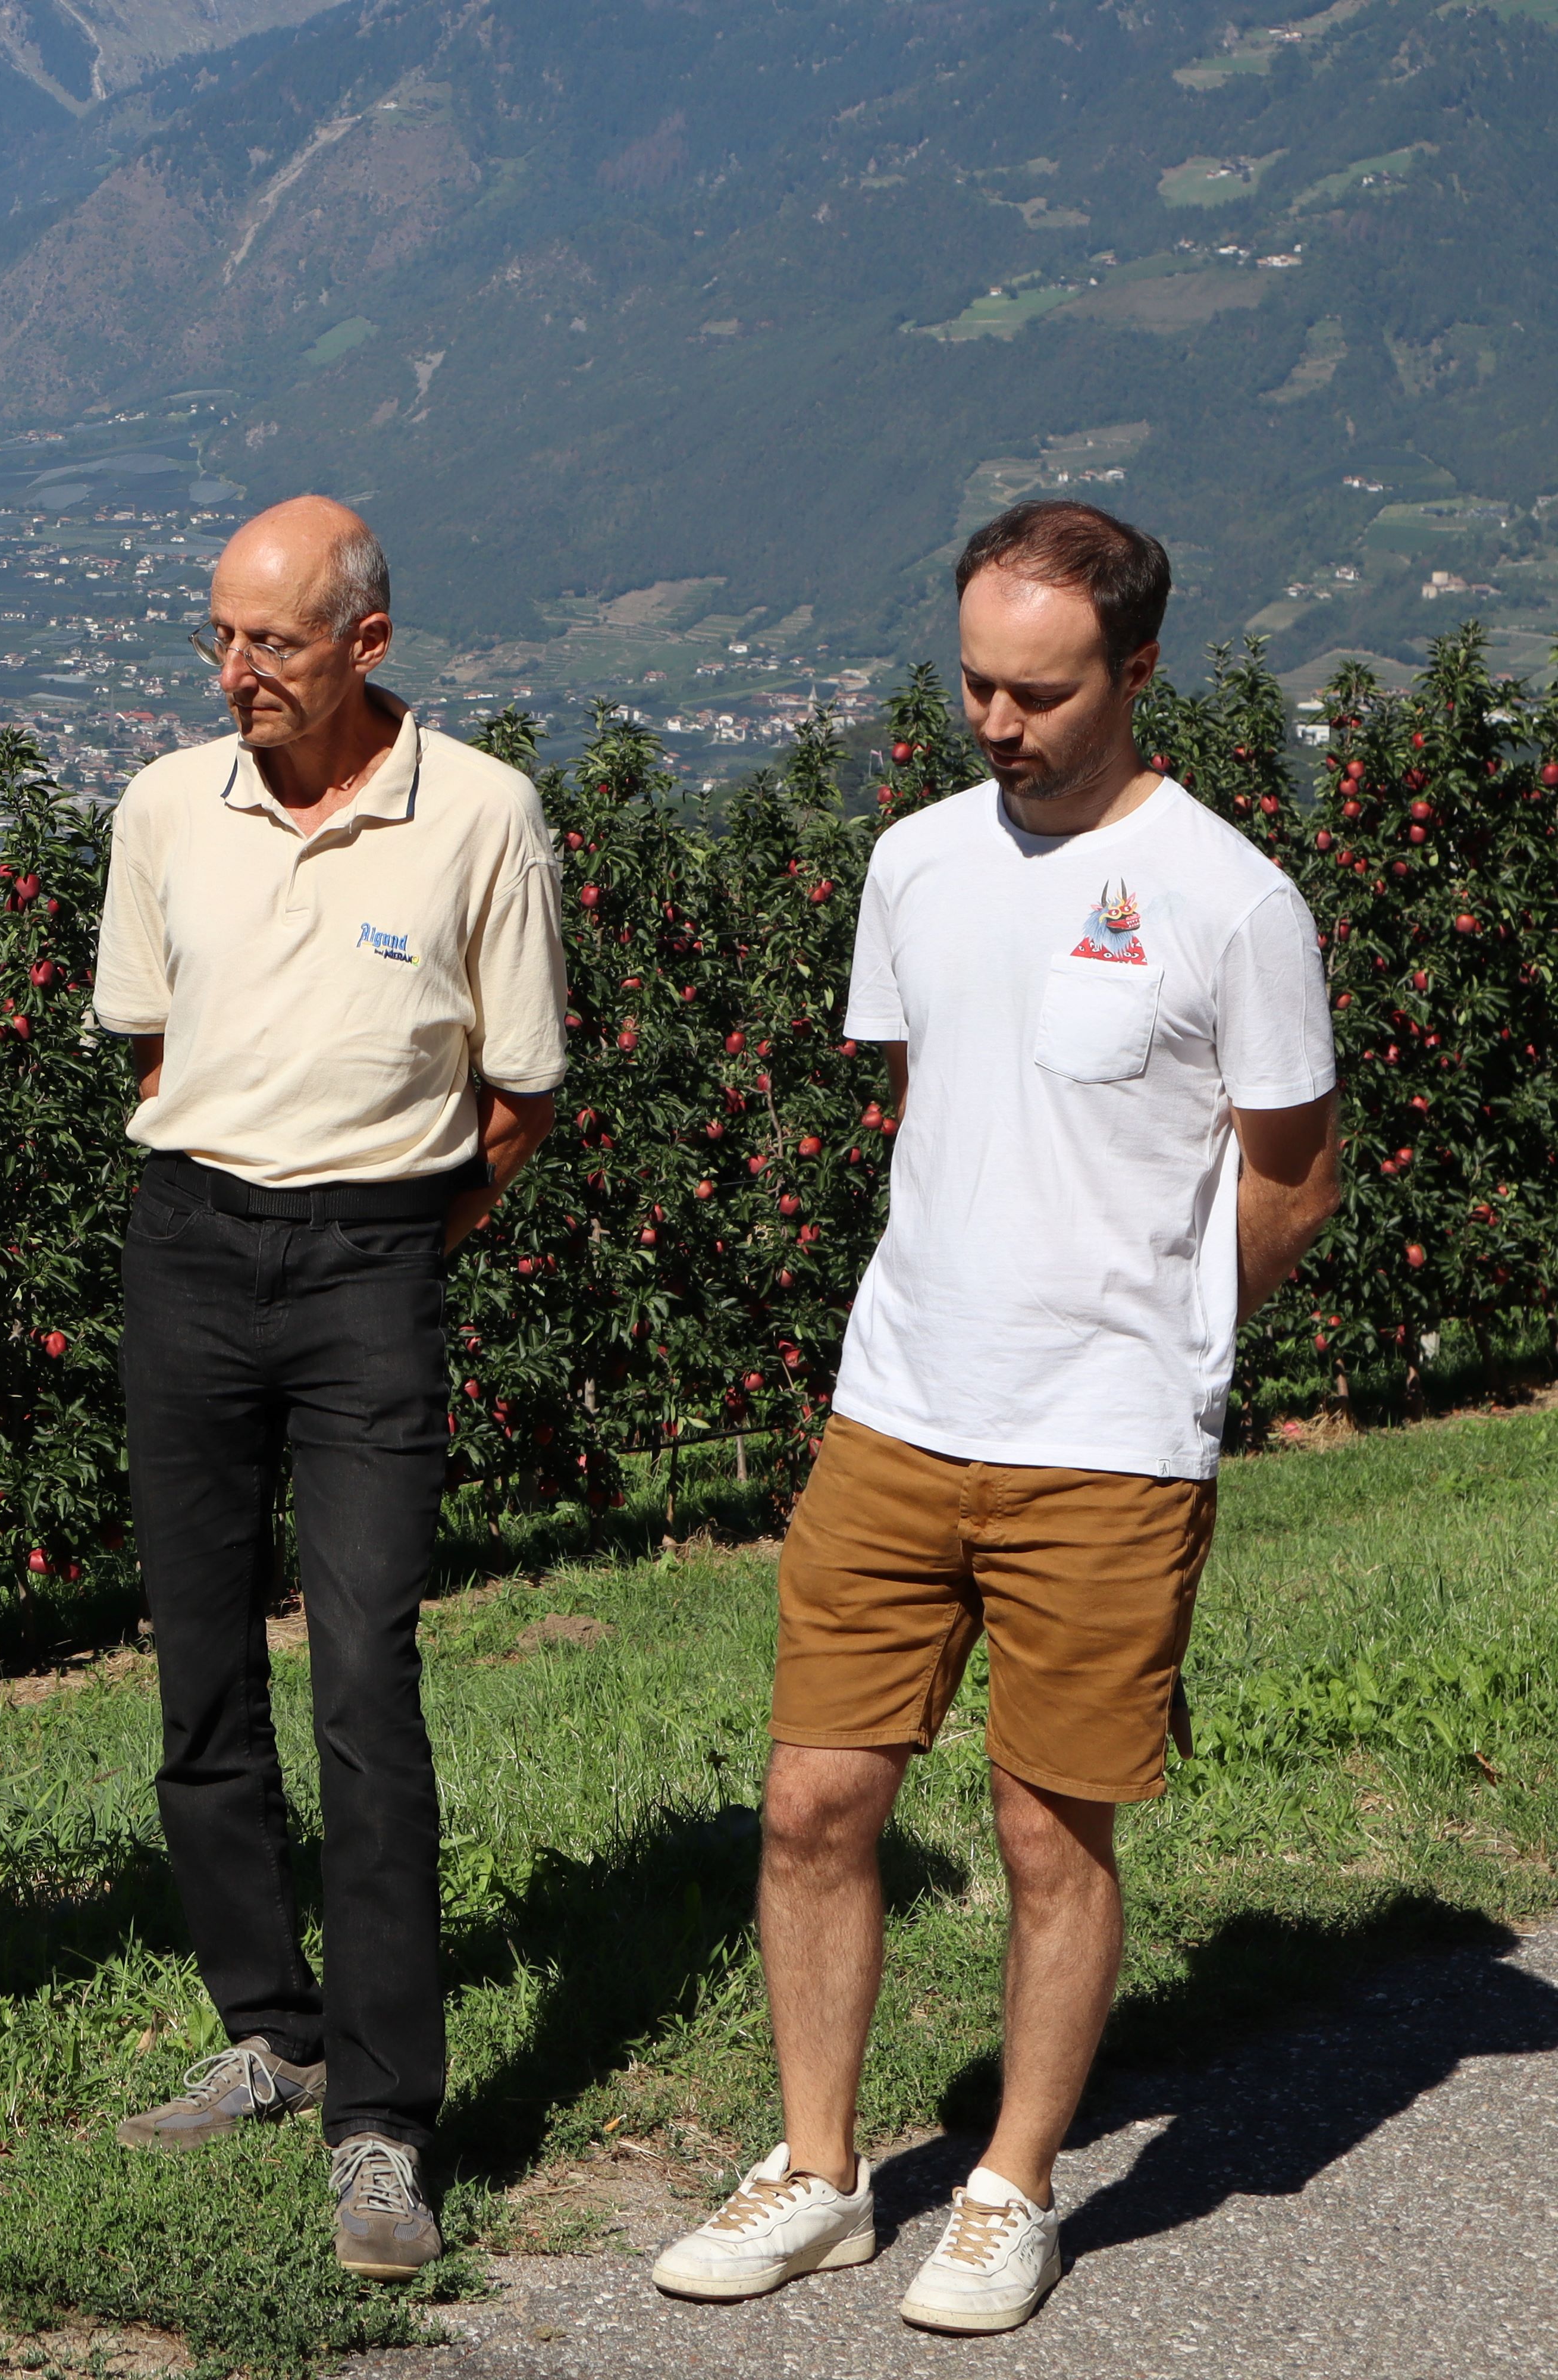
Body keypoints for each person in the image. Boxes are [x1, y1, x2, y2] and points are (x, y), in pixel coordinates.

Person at [650, 501, 1341, 2334]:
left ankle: (1012, 2187)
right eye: (973, 682)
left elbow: (1294, 1175)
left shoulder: (1231, 898)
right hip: (896, 1411)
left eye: (1039, 691)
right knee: (813, 1801)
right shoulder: (917, 865)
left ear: (1136, 673)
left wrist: (1171, 1344)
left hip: (1109, 1443)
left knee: (1051, 1831)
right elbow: (943, 1109)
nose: (997, 722)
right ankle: (815, 2172)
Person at [90, 496, 566, 2277]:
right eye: (220, 636)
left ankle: (384, 2120)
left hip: (377, 1265)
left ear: (369, 641)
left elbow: (514, 1096)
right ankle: (267, 2028)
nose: (236, 673)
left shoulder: (486, 814)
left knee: (367, 1677)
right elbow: (156, 1042)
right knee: (198, 1661)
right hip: (190, 1246)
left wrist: (389, 1229)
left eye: (272, 643)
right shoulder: (162, 809)